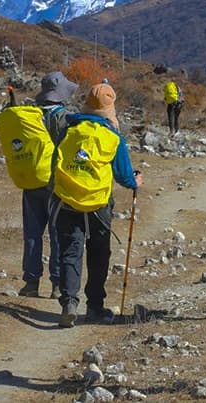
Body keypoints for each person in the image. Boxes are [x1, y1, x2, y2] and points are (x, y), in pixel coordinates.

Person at [51, 83, 142, 327]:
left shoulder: (68, 130)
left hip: (67, 200)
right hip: (98, 203)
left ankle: (69, 302)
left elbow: (55, 165)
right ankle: (94, 308)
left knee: (70, 251)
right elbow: (123, 176)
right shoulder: (112, 136)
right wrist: (136, 181)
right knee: (99, 253)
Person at [19, 71, 77, 298]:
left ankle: (31, 282)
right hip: (55, 184)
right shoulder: (64, 118)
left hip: (31, 180)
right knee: (57, 232)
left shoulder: (30, 116)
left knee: (32, 232)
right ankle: (56, 283)